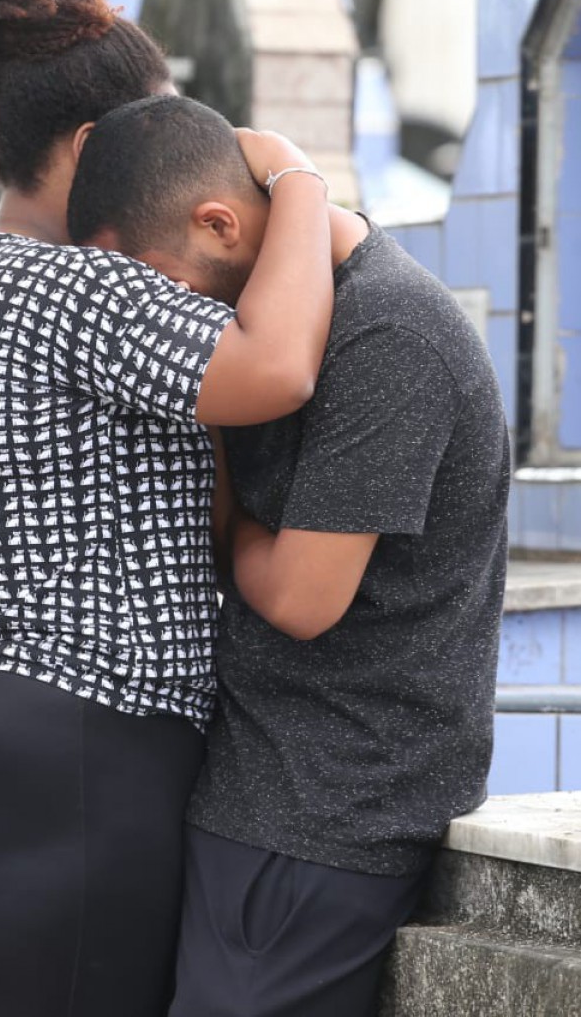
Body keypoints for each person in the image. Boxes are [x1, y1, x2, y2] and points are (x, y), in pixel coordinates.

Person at [0, 0, 336, 1017]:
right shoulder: (74, 286)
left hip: (12, 748)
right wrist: (298, 176)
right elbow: (276, 365)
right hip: (74, 754)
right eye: (161, 127)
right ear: (93, 145)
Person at [68, 94, 512, 1017]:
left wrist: (227, 508)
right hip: (266, 795)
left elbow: (305, 596)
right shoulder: (300, 326)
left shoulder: (389, 334)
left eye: (164, 285)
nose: (168, 319)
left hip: (325, 810)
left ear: (220, 223)